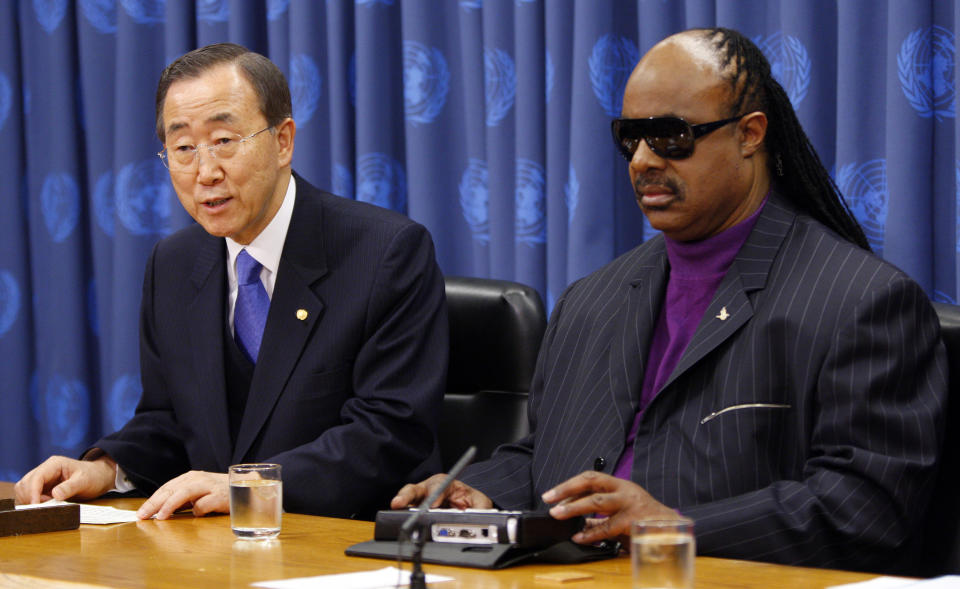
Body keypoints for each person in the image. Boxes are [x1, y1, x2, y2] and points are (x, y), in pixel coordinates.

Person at [392, 28, 947, 573]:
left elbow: (867, 509)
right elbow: (545, 458)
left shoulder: (862, 301)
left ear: (750, 134)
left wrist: (673, 529)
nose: (642, 160)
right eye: (631, 137)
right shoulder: (592, 300)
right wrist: (477, 494)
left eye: (671, 136)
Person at [16, 43, 447, 520]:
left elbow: (390, 433)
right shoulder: (173, 264)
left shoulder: (385, 252)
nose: (205, 172)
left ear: (283, 141)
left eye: (223, 140)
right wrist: (107, 467)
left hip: (342, 543)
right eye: (183, 149)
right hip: (215, 550)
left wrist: (249, 487)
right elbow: (169, 420)